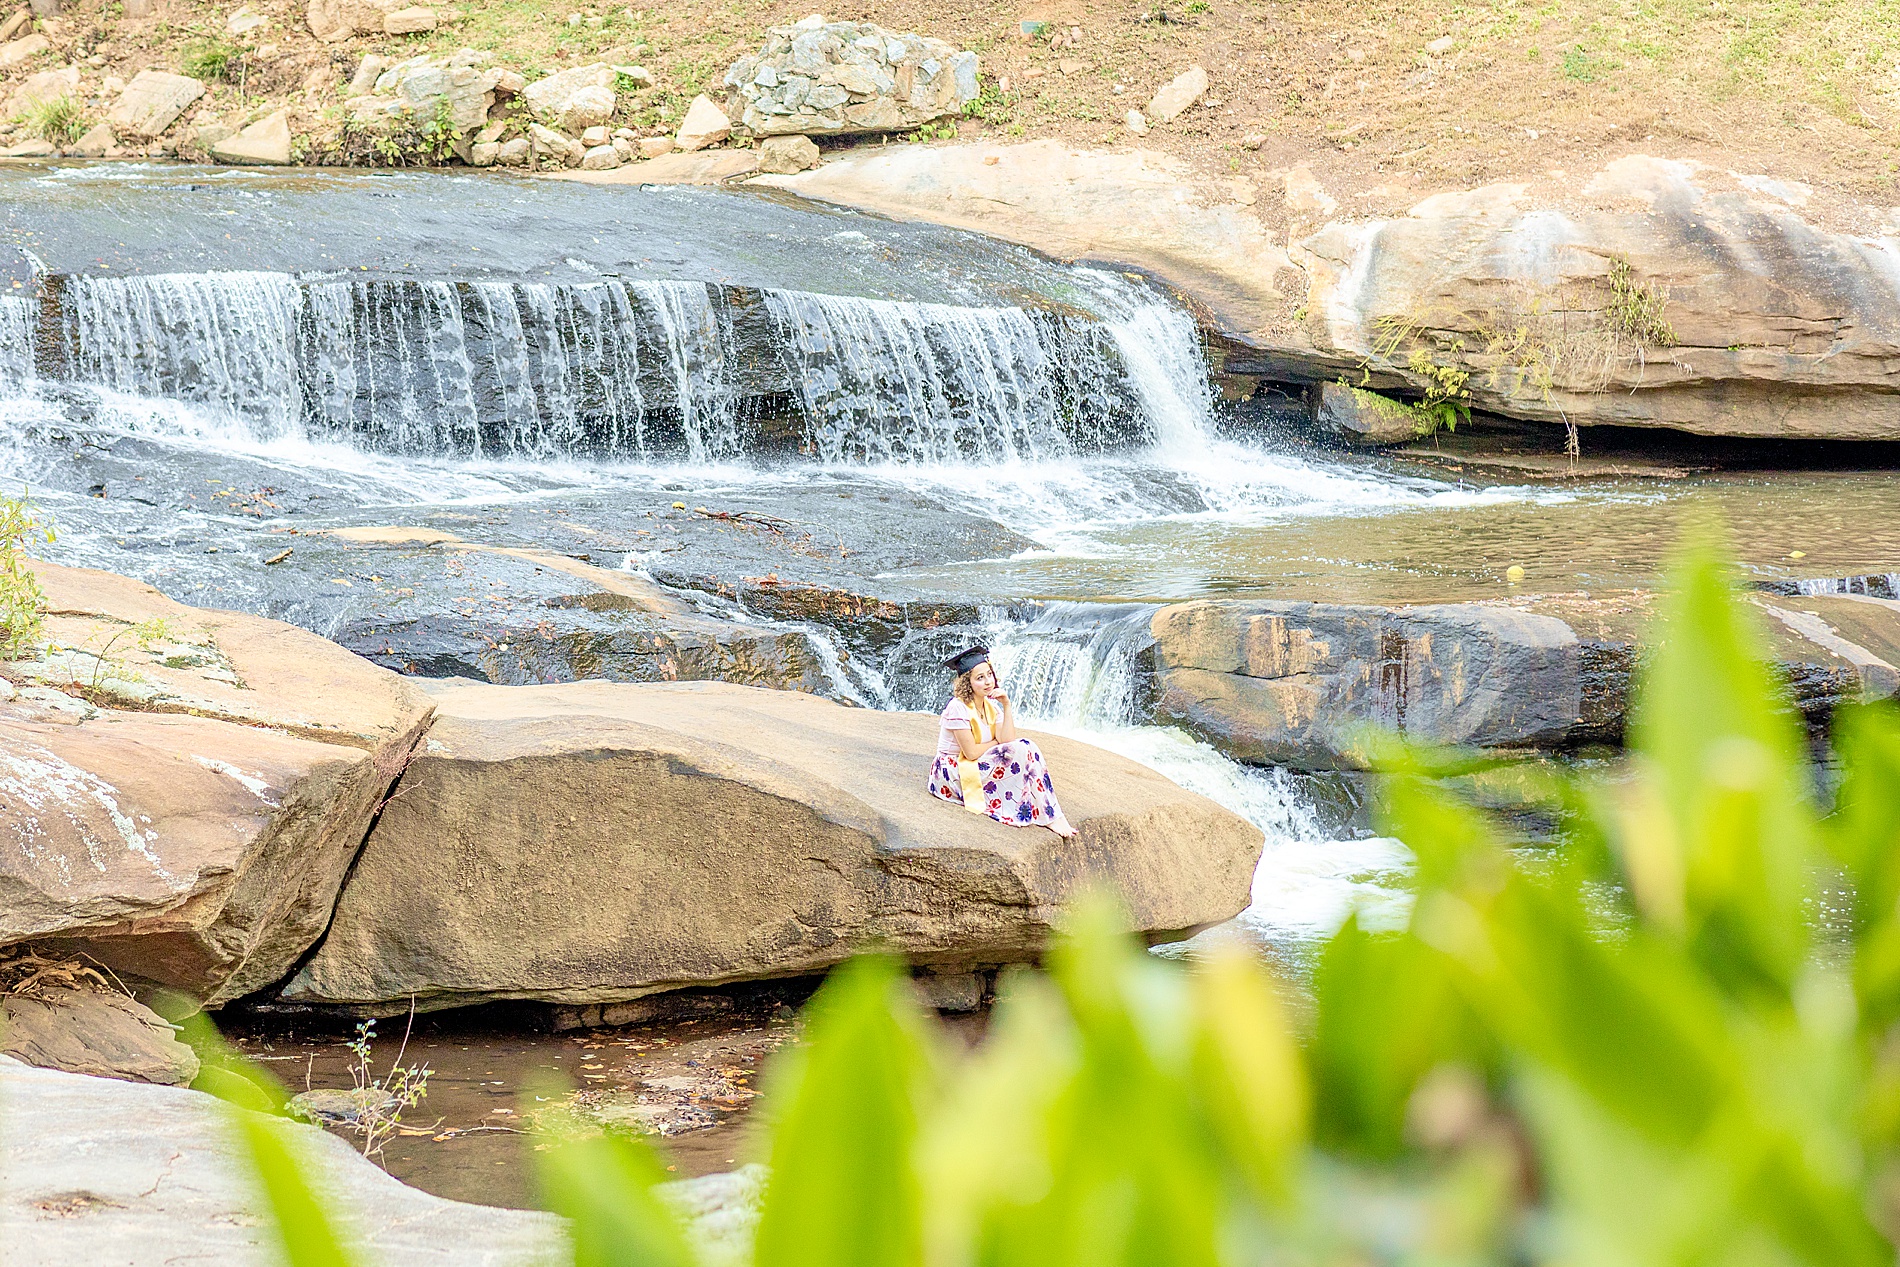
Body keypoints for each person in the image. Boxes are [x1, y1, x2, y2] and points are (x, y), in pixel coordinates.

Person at [927, 645, 1077, 838]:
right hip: (952, 770)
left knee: (1027, 746)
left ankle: (1052, 814)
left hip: (976, 763)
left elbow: (1008, 741)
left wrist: (1006, 705)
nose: (988, 681)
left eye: (989, 674)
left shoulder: (990, 706)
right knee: (1020, 749)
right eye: (980, 678)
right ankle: (1048, 816)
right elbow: (971, 753)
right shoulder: (957, 707)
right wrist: (996, 743)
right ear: (967, 682)